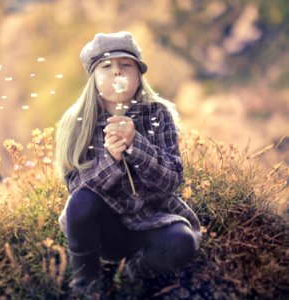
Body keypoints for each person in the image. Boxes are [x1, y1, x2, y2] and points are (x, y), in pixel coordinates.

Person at [55, 32, 202, 297]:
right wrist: (111, 159)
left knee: (183, 243)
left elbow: (171, 180)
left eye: (126, 65)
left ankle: (131, 275)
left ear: (138, 75)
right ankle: (87, 284)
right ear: (93, 76)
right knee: (81, 202)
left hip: (152, 220)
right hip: (105, 228)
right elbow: (76, 190)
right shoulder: (77, 121)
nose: (117, 73)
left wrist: (136, 145)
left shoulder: (157, 114)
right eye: (106, 66)